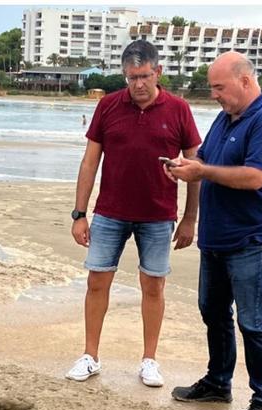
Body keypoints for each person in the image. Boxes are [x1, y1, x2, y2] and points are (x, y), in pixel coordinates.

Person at [65, 40, 201, 387]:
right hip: (110, 212)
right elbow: (89, 161)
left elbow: (195, 166)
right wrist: (80, 213)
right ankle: (90, 355)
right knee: (97, 282)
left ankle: (149, 360)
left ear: (158, 72)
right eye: (130, 77)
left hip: (158, 214)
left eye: (143, 76)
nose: (137, 84)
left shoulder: (179, 110)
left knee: (153, 286)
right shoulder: (109, 106)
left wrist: (189, 218)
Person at [164, 52, 262, 410]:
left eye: (219, 86)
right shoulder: (224, 118)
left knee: (252, 322)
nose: (214, 94)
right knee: (213, 312)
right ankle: (218, 382)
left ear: (245, 81)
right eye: (212, 87)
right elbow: (203, 158)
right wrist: (184, 167)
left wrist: (202, 171)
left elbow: (254, 177)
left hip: (252, 237)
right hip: (216, 237)